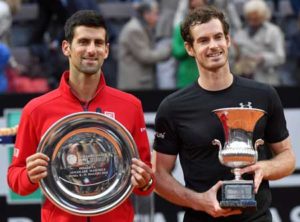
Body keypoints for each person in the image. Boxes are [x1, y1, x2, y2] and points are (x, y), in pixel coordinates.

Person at [7, 10, 154, 222]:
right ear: (67, 47)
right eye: (83, 41)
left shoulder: (130, 106)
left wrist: (145, 181)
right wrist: (29, 175)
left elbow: (145, 180)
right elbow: (15, 179)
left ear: (107, 50)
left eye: (98, 43)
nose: (91, 50)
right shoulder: (37, 109)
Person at [152, 6, 295, 222]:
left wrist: (265, 167)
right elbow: (159, 175)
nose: (213, 46)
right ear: (190, 48)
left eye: (218, 37)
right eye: (203, 40)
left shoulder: (264, 95)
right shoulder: (173, 107)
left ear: (228, 40)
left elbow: (287, 157)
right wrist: (199, 201)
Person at [117, 0, 171, 90]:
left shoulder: (140, 27)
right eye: (156, 14)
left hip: (140, 83)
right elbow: (146, 56)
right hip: (135, 86)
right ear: (146, 14)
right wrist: (169, 50)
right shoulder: (134, 29)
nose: (157, 18)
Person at [233, 0, 285, 85]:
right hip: (244, 80)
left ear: (263, 16)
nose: (252, 22)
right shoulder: (241, 33)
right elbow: (235, 57)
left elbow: (280, 57)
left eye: (256, 18)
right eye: (250, 18)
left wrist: (263, 58)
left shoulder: (273, 31)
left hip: (267, 79)